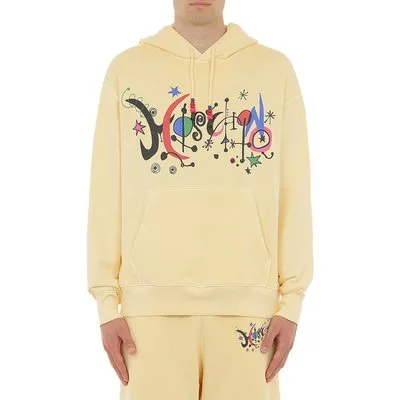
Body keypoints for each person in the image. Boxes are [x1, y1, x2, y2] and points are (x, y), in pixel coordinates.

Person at [86, 0, 313, 399]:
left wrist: (291, 303)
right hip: (149, 309)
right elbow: (106, 189)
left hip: (250, 306)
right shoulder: (127, 69)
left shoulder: (274, 70)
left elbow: (294, 189)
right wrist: (107, 303)